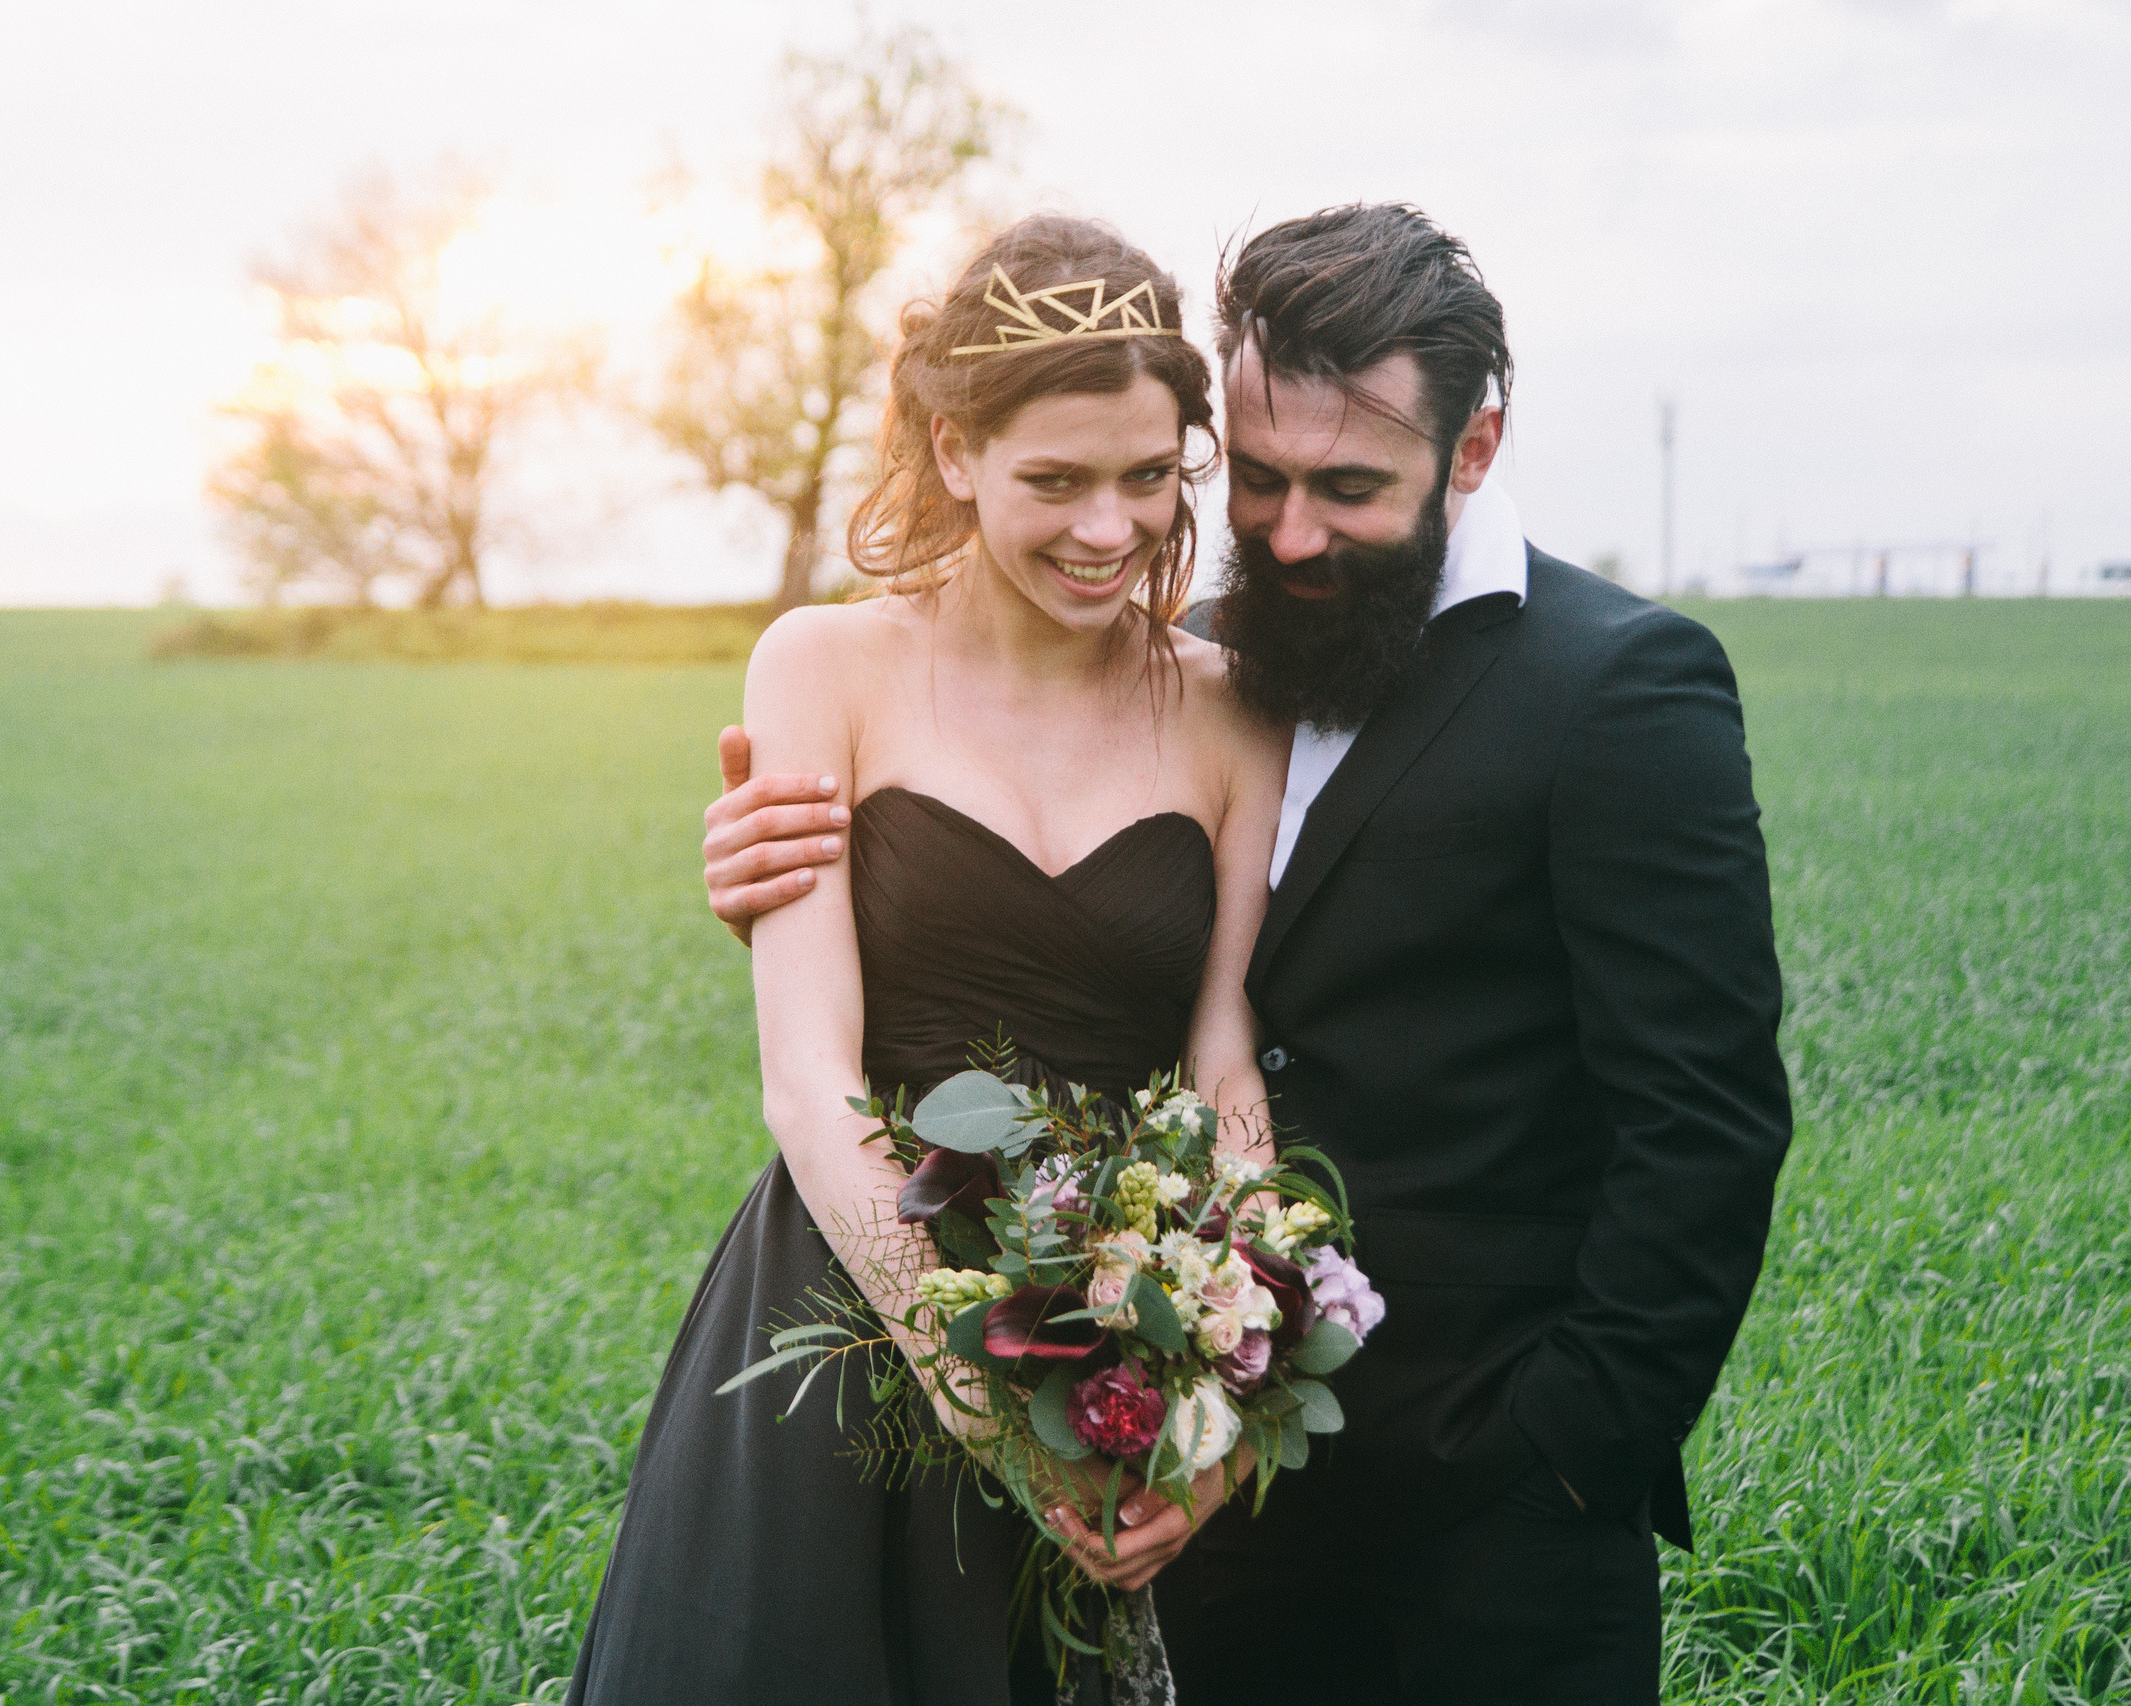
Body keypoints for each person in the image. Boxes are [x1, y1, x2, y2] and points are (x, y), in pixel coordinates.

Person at [702, 204, 1794, 1705]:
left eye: (1349, 488)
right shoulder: (1222, 646)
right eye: (1261, 481)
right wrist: (802, 883)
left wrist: (1570, 1456)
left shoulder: (1616, 686)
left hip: (1490, 1498)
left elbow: (1709, 1121)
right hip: (1162, 1457)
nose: (1286, 533)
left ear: (1472, 451)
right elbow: (898, 1016)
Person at [568, 215, 1293, 1706]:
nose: (1112, 528)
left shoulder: (1234, 710)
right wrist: (986, 1395)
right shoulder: (823, 666)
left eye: (1150, 477)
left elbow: (1225, 1058)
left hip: (1111, 1329)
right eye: (1057, 480)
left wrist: (1219, 1397)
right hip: (838, 1322)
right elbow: (808, 1079)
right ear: (954, 451)